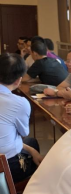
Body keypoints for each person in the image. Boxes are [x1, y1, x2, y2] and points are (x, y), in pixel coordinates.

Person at [0, 53, 43, 183]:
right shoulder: (19, 103)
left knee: (30, 144)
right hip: (6, 167)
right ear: (18, 80)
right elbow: (23, 133)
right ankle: (21, 190)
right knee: (32, 143)